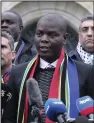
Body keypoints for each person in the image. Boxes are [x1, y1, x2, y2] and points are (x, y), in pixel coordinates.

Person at [2, 13, 94, 123]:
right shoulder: (18, 72)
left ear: (64, 38)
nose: (44, 39)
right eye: (39, 34)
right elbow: (8, 118)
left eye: (52, 35)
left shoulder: (86, 72)